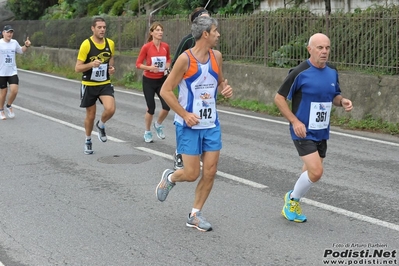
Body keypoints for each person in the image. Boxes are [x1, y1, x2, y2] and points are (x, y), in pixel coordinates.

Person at [156, 16, 233, 232]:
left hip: (211, 124)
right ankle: (170, 177)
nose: (219, 34)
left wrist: (225, 90)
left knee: (210, 171)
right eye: (216, 31)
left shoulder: (217, 57)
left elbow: (219, 84)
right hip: (188, 125)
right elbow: (165, 91)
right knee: (191, 174)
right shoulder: (185, 60)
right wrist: (185, 113)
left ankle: (195, 214)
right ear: (205, 34)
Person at [274, 33, 353, 223]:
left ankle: (293, 200)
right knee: (316, 172)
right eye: (320, 48)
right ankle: (292, 200)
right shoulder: (299, 72)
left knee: (309, 171)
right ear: (310, 49)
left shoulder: (332, 71)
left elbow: (334, 95)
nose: (324, 51)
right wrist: (295, 122)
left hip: (321, 130)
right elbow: (279, 98)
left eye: (327, 47)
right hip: (302, 131)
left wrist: (342, 101)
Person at [171, 7, 210, 170]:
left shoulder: (211, 40)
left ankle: (196, 153)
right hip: (188, 86)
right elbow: (175, 64)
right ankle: (180, 153)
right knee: (184, 118)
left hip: (204, 89)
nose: (209, 19)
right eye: (204, 17)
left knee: (202, 120)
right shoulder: (188, 40)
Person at [75, 16, 116, 155]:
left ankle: (101, 124)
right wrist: (91, 64)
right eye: (99, 27)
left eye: (104, 27)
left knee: (110, 109)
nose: (102, 30)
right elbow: (77, 68)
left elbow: (110, 58)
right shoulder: (86, 44)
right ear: (93, 28)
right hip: (89, 84)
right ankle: (88, 140)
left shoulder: (110, 43)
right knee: (90, 115)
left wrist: (111, 68)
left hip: (104, 83)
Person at [136, 22, 171, 143]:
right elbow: (138, 64)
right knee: (151, 108)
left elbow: (168, 59)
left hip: (161, 80)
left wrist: (167, 68)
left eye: (161, 30)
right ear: (152, 33)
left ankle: (158, 124)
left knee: (167, 106)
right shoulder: (146, 47)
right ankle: (147, 131)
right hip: (149, 81)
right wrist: (150, 68)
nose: (160, 32)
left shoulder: (165, 46)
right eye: (157, 30)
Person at [0, 25, 31, 120]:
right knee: (3, 92)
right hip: (1, 72)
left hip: (12, 71)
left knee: (14, 90)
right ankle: (1, 110)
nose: (9, 34)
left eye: (11, 32)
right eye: (8, 32)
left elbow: (21, 51)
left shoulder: (14, 43)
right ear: (3, 33)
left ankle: (9, 106)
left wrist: (26, 46)